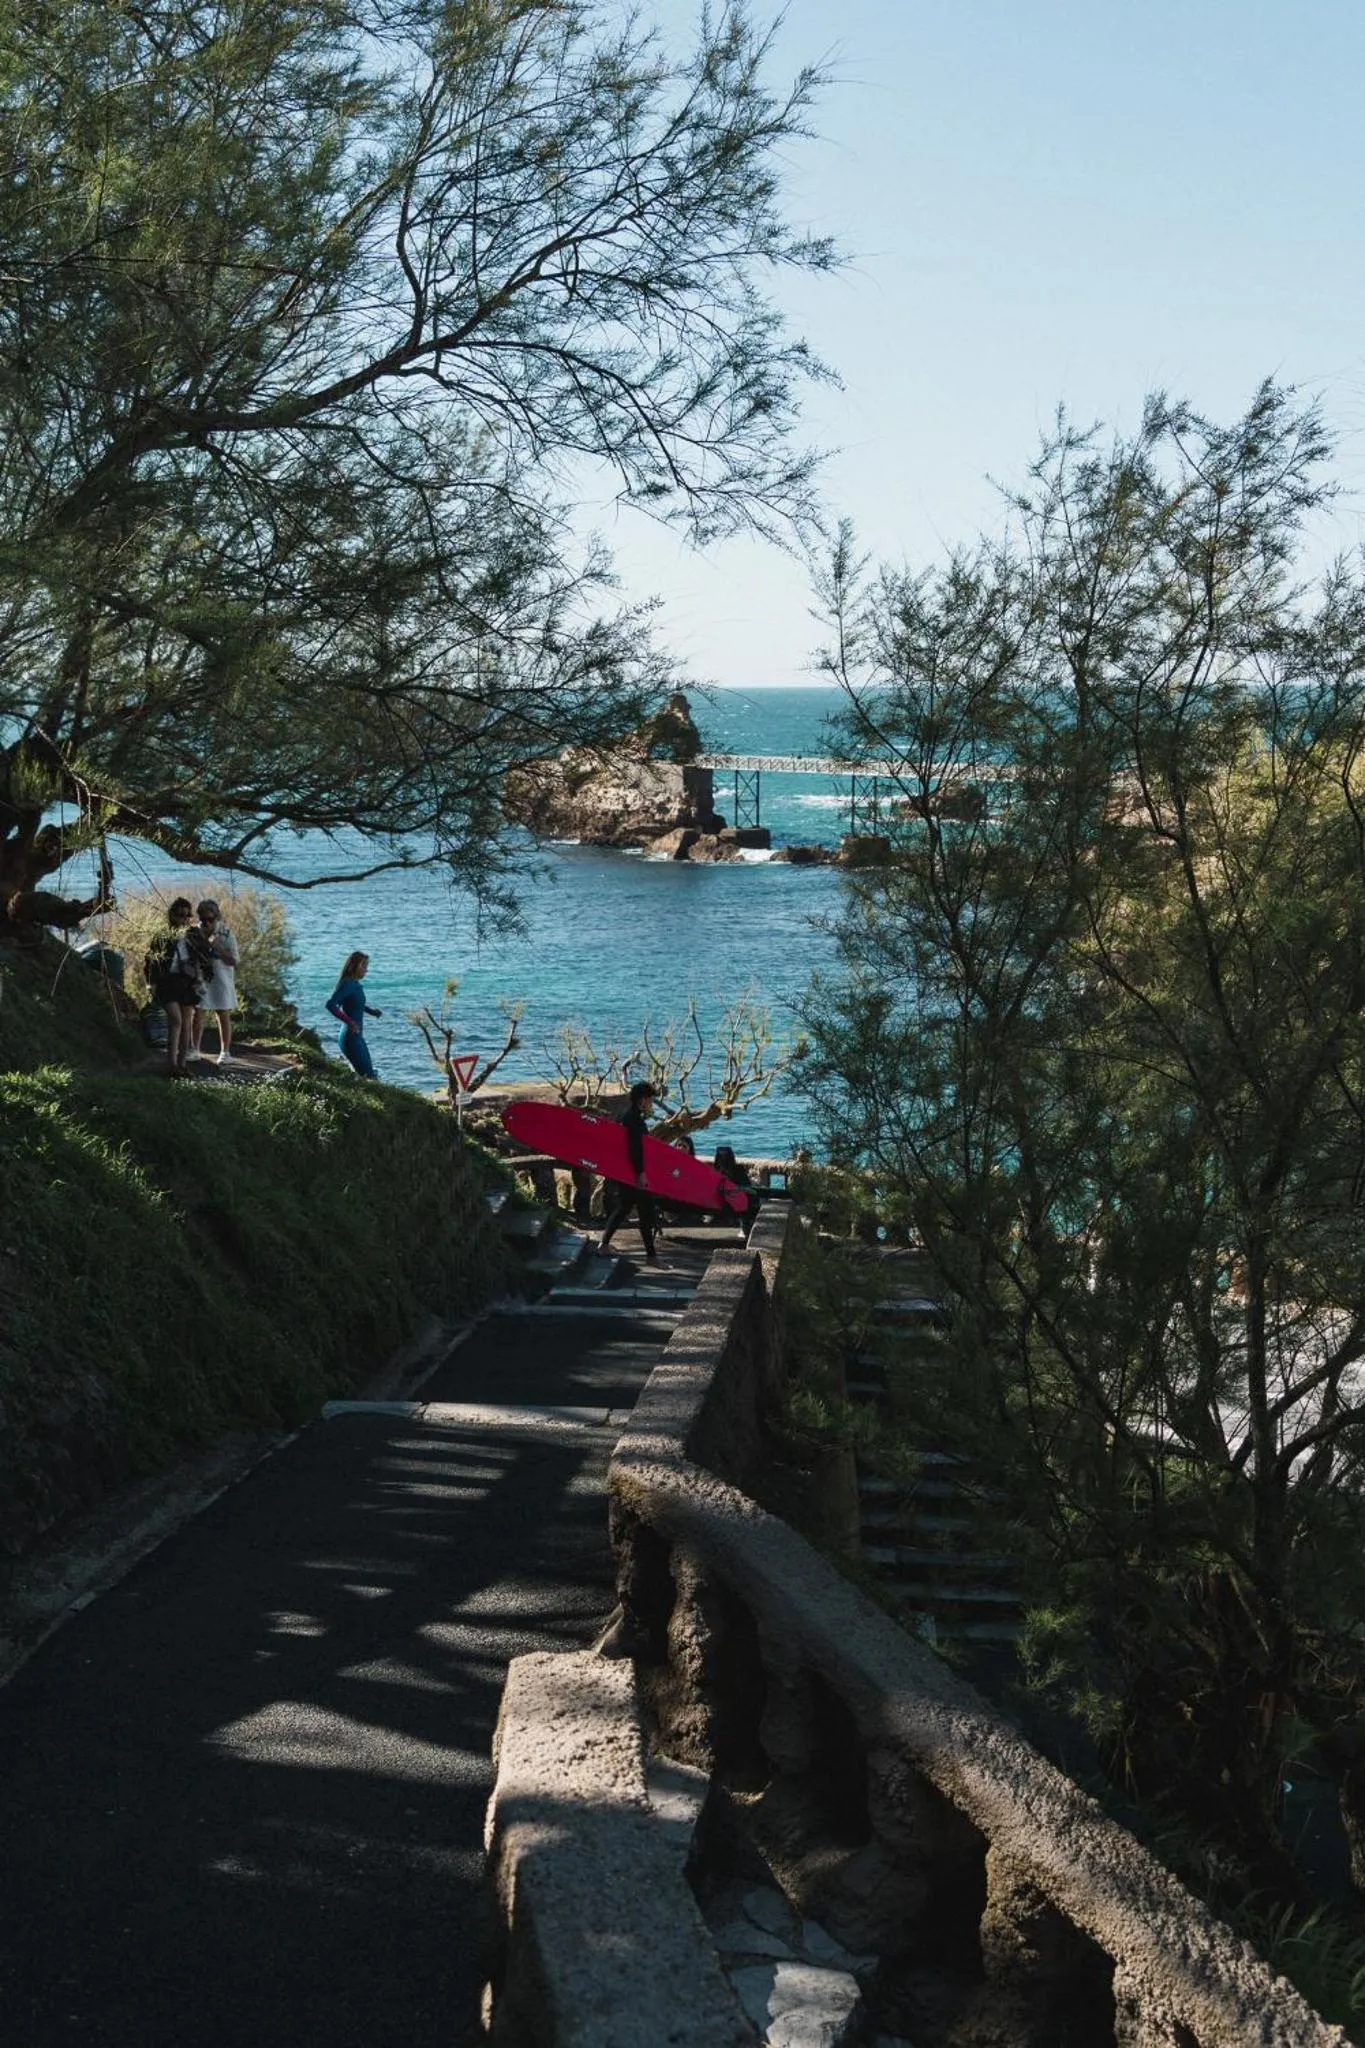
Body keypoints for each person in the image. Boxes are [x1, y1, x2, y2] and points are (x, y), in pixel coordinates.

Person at [596, 1080, 659, 1263]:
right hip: (633, 1173)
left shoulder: (627, 1116)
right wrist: (641, 1173)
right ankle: (651, 1257)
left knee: (625, 1208)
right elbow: (635, 1148)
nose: (651, 1104)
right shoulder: (634, 1120)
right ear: (642, 1100)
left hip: (626, 1172)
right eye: (650, 1100)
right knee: (645, 1211)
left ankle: (604, 1245)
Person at [143, 896, 204, 1078]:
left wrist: (199, 975)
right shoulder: (162, 936)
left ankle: (182, 1065)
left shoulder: (193, 934)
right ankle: (171, 1064)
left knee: (186, 1024)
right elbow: (151, 960)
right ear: (172, 916)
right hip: (167, 982)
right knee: (176, 1021)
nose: (184, 919)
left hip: (186, 983)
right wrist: (150, 983)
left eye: (187, 916)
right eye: (180, 915)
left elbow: (205, 957)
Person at [190, 900, 240, 1064]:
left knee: (223, 1014)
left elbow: (234, 960)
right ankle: (194, 1049)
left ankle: (225, 1052)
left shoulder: (227, 933)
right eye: (203, 919)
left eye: (211, 919)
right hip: (201, 978)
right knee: (198, 1013)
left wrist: (217, 947)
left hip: (221, 978)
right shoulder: (194, 933)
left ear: (217, 917)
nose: (207, 923)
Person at [326, 951, 383, 1077]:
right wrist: (350, 1022)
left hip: (357, 1036)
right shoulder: (347, 984)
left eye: (366, 967)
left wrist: (371, 1011)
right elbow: (331, 1005)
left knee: (368, 1073)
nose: (366, 970)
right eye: (363, 966)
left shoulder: (354, 984)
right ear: (353, 966)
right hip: (350, 1038)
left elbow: (355, 1004)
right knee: (368, 1075)